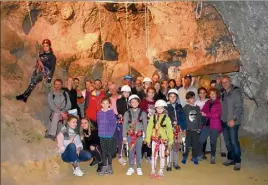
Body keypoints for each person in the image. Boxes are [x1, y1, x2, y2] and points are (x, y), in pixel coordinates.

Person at [146, 100, 173, 178]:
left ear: (164, 109)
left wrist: (170, 141)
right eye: (158, 108)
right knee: (154, 155)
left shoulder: (167, 118)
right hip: (154, 139)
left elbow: (169, 130)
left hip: (162, 140)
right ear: (155, 108)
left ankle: (161, 170)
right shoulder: (152, 117)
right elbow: (149, 128)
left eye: (161, 108)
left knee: (162, 155)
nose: (160, 109)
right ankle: (153, 170)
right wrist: (148, 139)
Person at [221, 76, 243, 171]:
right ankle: (231, 159)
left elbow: (239, 108)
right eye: (223, 82)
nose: (224, 84)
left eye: (226, 82)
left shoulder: (236, 93)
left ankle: (237, 161)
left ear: (230, 82)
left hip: (233, 121)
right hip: (225, 121)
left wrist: (234, 119)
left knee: (234, 142)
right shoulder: (223, 93)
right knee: (228, 142)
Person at [123, 95, 147, 176]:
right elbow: (125, 125)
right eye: (132, 102)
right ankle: (131, 167)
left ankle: (139, 167)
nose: (134, 103)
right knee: (130, 151)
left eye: (136, 101)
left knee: (139, 151)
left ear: (139, 102)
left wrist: (146, 136)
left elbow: (145, 125)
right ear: (130, 103)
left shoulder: (143, 113)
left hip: (139, 135)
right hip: (130, 135)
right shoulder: (127, 113)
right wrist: (124, 137)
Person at [200, 88, 222, 164]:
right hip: (206, 124)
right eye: (211, 93)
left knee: (213, 142)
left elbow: (217, 115)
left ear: (216, 94)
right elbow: (203, 109)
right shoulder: (208, 102)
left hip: (215, 125)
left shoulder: (219, 103)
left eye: (214, 93)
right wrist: (201, 112)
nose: (212, 95)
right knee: (201, 139)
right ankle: (200, 154)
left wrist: (206, 114)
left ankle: (213, 157)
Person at [166, 89, 186, 171]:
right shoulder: (165, 107)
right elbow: (164, 118)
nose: (172, 98)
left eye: (174, 97)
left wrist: (183, 128)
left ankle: (175, 162)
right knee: (169, 147)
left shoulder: (179, 107)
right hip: (169, 130)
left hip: (178, 130)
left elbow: (182, 118)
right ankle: (168, 164)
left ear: (177, 98)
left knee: (176, 147)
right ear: (168, 97)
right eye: (170, 96)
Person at [97, 98, 117, 175]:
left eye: (107, 103)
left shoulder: (111, 112)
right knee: (103, 151)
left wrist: (111, 132)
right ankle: (104, 165)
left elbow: (114, 123)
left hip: (109, 135)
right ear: (101, 104)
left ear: (109, 104)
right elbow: (99, 123)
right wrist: (101, 131)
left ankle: (110, 166)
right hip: (102, 135)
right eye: (103, 103)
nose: (105, 105)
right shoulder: (99, 113)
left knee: (109, 151)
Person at [182, 91, 202, 165]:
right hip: (188, 130)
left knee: (195, 145)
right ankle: (185, 157)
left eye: (193, 98)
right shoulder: (185, 108)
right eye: (190, 98)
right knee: (187, 146)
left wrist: (199, 128)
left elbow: (199, 119)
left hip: (195, 130)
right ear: (187, 100)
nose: (192, 99)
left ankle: (194, 157)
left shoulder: (197, 108)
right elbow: (183, 119)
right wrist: (183, 129)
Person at [139, 87, 156, 163]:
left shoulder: (155, 102)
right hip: (145, 124)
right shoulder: (143, 102)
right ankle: (141, 154)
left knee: (151, 139)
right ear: (147, 93)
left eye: (153, 92)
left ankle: (148, 155)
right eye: (150, 92)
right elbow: (140, 112)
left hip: (153, 124)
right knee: (144, 139)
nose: (151, 94)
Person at [116, 85, 132, 165]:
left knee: (130, 137)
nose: (126, 93)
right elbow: (120, 111)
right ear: (122, 93)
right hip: (123, 121)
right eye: (125, 92)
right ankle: (120, 156)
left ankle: (130, 154)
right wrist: (121, 115)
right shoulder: (119, 100)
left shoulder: (131, 100)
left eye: (128, 92)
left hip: (130, 122)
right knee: (122, 138)